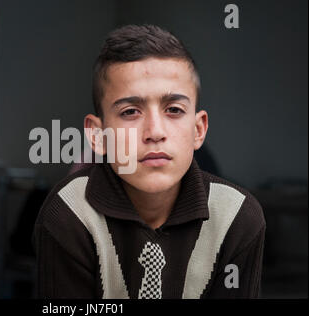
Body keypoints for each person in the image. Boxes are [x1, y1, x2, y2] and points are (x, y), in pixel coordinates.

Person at [32, 25, 265, 299]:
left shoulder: (236, 217)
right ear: (98, 136)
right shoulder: (69, 213)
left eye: (174, 110)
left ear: (198, 129)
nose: (155, 132)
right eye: (130, 111)